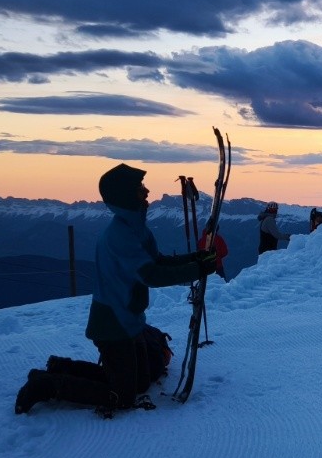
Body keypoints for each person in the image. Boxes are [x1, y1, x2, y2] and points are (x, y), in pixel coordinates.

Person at [15, 163, 215, 415]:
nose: (147, 191)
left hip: (130, 319)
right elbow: (151, 275)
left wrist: (196, 259)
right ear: (126, 196)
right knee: (122, 396)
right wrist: (197, 270)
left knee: (139, 382)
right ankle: (46, 385)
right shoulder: (120, 236)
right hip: (113, 323)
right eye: (140, 187)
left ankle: (62, 367)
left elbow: (158, 261)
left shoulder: (136, 229)